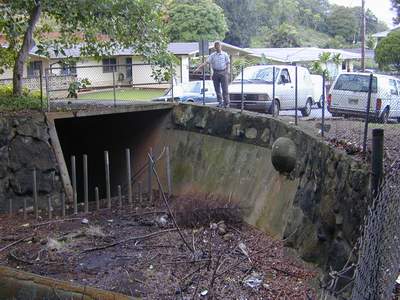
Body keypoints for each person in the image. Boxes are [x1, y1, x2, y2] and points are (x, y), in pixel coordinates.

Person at [194, 41, 230, 108]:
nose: (217, 47)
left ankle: (226, 103)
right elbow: (206, 62)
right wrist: (198, 68)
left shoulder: (225, 54)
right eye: (216, 46)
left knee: (225, 89)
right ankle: (220, 102)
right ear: (215, 47)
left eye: (218, 46)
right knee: (217, 89)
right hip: (215, 72)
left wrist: (227, 71)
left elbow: (228, 63)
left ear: (220, 46)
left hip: (223, 72)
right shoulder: (212, 55)